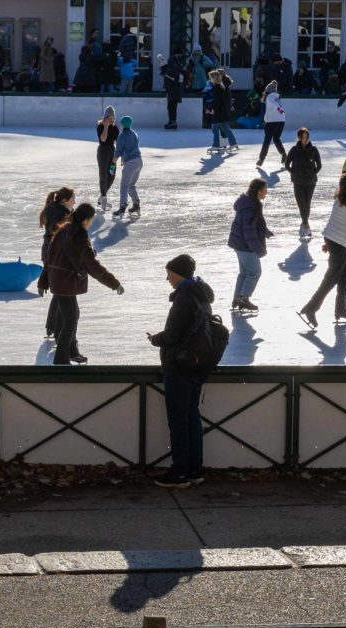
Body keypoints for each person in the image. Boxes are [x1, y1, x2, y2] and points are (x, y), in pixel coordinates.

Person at [147, 253, 216, 488]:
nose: (167, 278)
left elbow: (172, 334)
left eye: (169, 274)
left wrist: (155, 339)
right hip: (197, 365)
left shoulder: (184, 298)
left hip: (180, 366)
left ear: (178, 274)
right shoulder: (202, 296)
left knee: (178, 421)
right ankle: (195, 469)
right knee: (191, 418)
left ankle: (179, 472)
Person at [37, 203, 124, 365]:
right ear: (85, 220)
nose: (91, 223)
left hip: (59, 281)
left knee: (72, 315)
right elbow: (93, 266)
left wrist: (43, 281)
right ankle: (61, 358)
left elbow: (49, 258)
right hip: (66, 283)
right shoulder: (79, 237)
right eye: (90, 220)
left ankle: (72, 352)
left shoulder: (64, 230)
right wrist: (114, 283)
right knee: (70, 319)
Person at [298, 168, 346, 328]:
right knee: (331, 278)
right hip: (336, 240)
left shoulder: (343, 195)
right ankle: (311, 308)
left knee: (345, 275)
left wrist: (329, 242)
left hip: (334, 239)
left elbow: (336, 220)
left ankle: (341, 310)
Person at [228, 178, 272, 313]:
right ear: (259, 191)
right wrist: (258, 249)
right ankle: (243, 298)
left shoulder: (248, 202)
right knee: (254, 272)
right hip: (246, 245)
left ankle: (238, 298)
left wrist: (265, 231)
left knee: (244, 273)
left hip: (239, 243)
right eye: (265, 190)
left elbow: (253, 224)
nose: (266, 193)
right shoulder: (251, 206)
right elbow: (249, 231)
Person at [39, 187, 75, 338]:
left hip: (55, 254)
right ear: (64, 200)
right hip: (54, 255)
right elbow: (55, 228)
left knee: (60, 292)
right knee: (60, 292)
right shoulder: (57, 212)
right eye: (73, 198)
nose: (75, 201)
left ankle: (53, 326)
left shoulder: (59, 210)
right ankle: (53, 327)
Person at [284, 127, 321, 239]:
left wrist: (313, 173)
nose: (305, 139)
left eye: (306, 137)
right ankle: (306, 224)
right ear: (299, 138)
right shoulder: (294, 150)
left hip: (310, 182)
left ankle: (304, 224)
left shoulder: (314, 150)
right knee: (301, 204)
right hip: (298, 182)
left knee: (307, 204)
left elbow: (319, 165)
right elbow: (287, 164)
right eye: (303, 137)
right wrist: (294, 173)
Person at [112, 116, 142, 219]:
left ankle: (122, 206)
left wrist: (113, 164)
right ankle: (136, 204)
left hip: (130, 162)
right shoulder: (134, 133)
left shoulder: (122, 136)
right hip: (139, 161)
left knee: (124, 186)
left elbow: (118, 151)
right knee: (131, 185)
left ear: (123, 125)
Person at [257, 80, 286, 168]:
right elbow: (276, 105)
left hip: (271, 121)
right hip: (281, 120)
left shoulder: (269, 97)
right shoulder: (277, 96)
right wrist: (281, 112)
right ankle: (284, 154)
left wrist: (280, 110)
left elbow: (275, 105)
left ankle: (261, 159)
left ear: (268, 91)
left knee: (267, 140)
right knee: (276, 139)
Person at [96, 106, 119, 210]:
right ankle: (104, 197)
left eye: (113, 116)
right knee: (103, 174)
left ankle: (102, 196)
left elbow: (118, 142)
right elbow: (103, 139)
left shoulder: (115, 128)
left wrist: (120, 155)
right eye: (110, 116)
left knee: (112, 174)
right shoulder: (100, 126)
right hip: (102, 151)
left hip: (112, 152)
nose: (112, 118)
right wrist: (106, 126)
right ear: (105, 117)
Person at [210, 69, 238, 152]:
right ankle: (233, 143)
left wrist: (212, 109)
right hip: (223, 110)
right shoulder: (221, 85)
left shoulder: (217, 86)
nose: (210, 79)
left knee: (215, 128)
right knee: (225, 128)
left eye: (211, 77)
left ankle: (216, 145)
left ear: (214, 78)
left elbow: (217, 100)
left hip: (219, 111)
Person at [160, 50, 185, 129]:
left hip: (173, 90)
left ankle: (172, 122)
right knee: (172, 107)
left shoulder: (170, 71)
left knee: (171, 107)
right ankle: (172, 122)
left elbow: (173, 79)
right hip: (175, 90)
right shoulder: (177, 69)